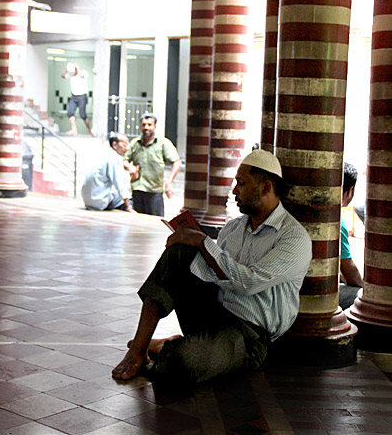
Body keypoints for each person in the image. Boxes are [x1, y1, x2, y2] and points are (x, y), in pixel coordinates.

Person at [112, 149, 312, 385]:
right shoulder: (233, 228)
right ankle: (139, 348)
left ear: (265, 188)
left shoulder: (294, 238)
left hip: (247, 335)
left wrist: (203, 242)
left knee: (181, 363)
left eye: (241, 183)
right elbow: (215, 272)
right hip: (212, 311)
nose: (235, 190)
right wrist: (195, 249)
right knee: (179, 253)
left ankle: (170, 345)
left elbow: (248, 283)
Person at [124, 114, 181, 216]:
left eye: (149, 124)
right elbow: (125, 160)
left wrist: (169, 182)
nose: (146, 127)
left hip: (154, 192)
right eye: (144, 125)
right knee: (137, 224)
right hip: (137, 190)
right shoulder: (135, 143)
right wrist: (130, 167)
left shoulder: (163, 143)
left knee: (155, 223)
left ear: (155, 126)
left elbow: (177, 162)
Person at [81, 133, 134, 212]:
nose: (127, 148)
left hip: (88, 200)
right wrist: (128, 207)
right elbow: (119, 184)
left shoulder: (103, 153)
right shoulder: (114, 158)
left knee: (115, 195)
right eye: (124, 145)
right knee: (131, 200)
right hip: (99, 201)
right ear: (115, 145)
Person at [339, 162, 363, 309]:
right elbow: (348, 269)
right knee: (363, 297)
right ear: (350, 191)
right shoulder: (335, 220)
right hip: (309, 297)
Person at [61, 62, 91, 135]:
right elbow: (63, 76)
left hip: (82, 96)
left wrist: (77, 67)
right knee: (70, 112)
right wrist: (66, 68)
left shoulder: (83, 72)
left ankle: (89, 130)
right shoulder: (70, 75)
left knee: (82, 114)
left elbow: (81, 75)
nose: (72, 73)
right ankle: (74, 130)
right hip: (74, 96)